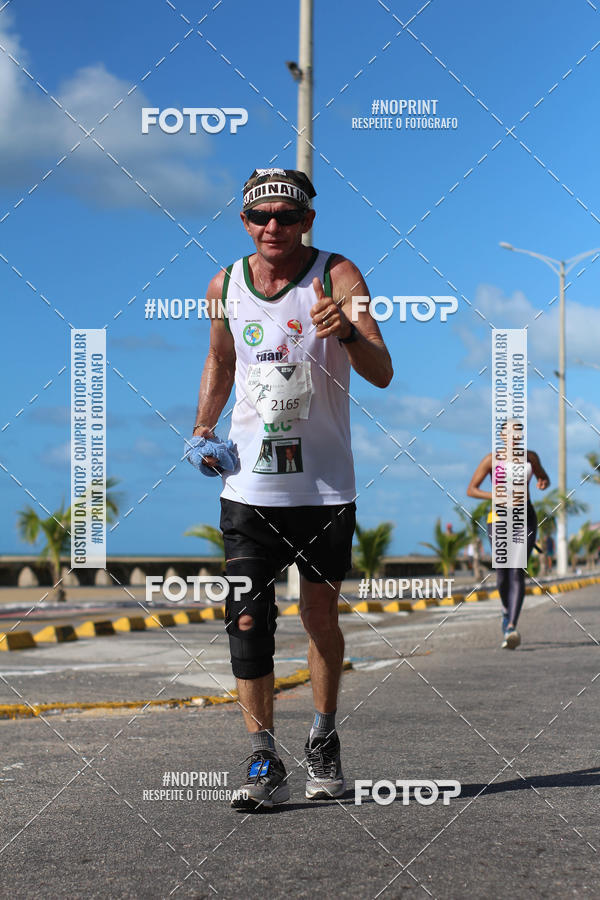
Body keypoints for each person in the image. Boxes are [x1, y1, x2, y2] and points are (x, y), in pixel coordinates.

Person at [186, 167, 393, 810]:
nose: (272, 225)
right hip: (249, 487)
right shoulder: (224, 284)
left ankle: (323, 738)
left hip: (324, 488)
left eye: (286, 215)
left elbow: (382, 370)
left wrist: (347, 331)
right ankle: (262, 758)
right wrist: (202, 428)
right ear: (245, 222)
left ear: (307, 220)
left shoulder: (339, 276)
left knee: (318, 617)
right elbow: (221, 360)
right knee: (247, 618)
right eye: (260, 215)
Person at [467, 427, 549, 649]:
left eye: (518, 434)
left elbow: (543, 477)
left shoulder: (530, 457)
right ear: (502, 436)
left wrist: (543, 482)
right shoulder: (491, 459)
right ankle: (505, 610)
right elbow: (471, 490)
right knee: (502, 575)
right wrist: (495, 494)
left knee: (516, 570)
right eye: (509, 433)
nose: (514, 437)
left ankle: (511, 627)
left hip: (525, 517)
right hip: (499, 518)